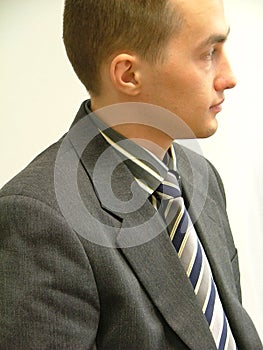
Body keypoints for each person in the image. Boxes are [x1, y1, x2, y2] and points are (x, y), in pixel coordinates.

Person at [0, 0, 262, 349]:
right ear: (128, 75)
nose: (229, 77)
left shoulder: (200, 176)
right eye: (208, 53)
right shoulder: (38, 218)